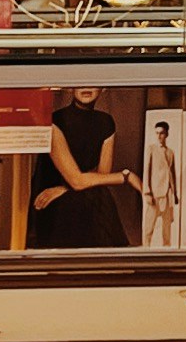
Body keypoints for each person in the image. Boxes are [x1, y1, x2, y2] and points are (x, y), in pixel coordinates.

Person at [28, 86, 137, 246]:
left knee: (99, 196)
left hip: (81, 193)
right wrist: (126, 176)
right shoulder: (55, 121)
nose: (86, 87)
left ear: (104, 88)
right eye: (80, 81)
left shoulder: (106, 122)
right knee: (88, 202)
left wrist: (66, 189)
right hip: (52, 202)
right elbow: (76, 180)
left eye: (93, 81)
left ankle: (107, 263)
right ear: (71, 87)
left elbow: (102, 176)